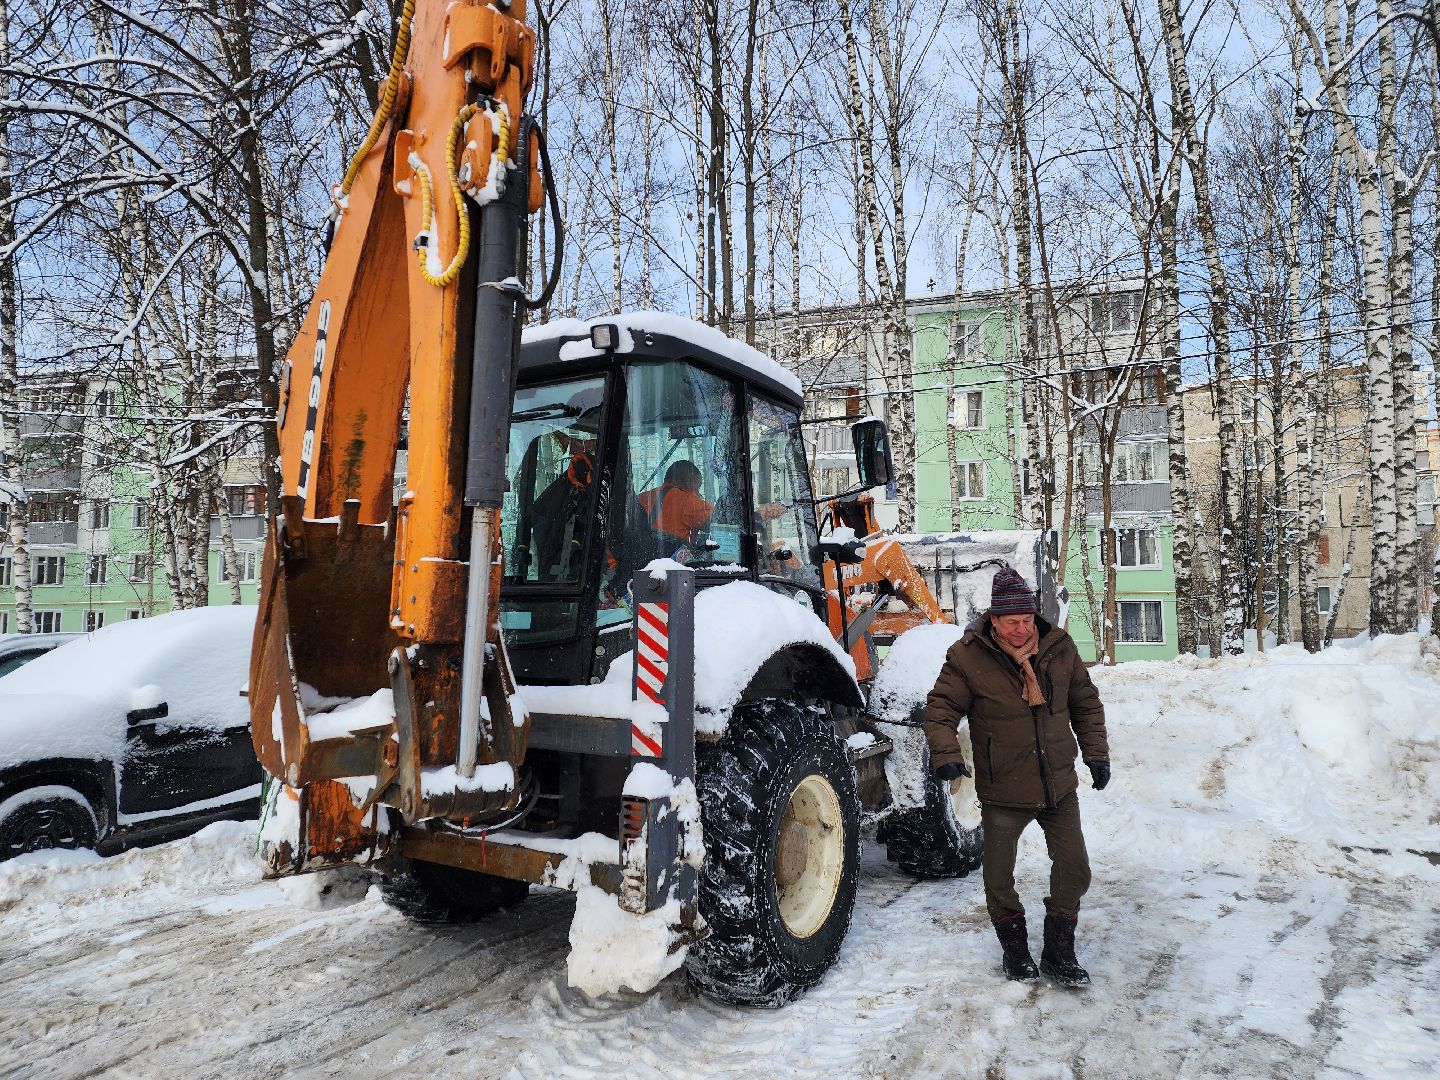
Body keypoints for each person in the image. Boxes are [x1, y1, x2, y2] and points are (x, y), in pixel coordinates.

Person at [923, 566, 1110, 987]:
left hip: (1058, 784)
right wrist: (947, 755)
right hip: (1003, 787)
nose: (1022, 629)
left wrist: (1096, 754)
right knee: (998, 879)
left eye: (1027, 620)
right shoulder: (967, 657)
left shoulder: (1059, 648)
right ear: (994, 620)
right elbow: (940, 710)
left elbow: (1085, 703)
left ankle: (1059, 953)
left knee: (1075, 869)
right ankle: (1016, 951)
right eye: (1012, 622)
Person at [637, 460, 714, 551]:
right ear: (689, 481)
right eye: (699, 485)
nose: (698, 492)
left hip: (639, 556)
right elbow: (719, 523)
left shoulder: (641, 498)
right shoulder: (689, 502)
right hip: (670, 559)